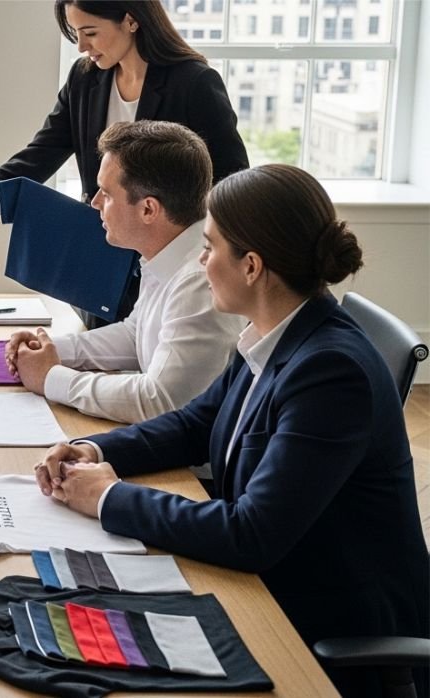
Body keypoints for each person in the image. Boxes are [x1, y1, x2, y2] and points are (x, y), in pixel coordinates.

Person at [34, 164, 429, 697]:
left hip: (321, 623)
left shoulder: (331, 373)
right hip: (271, 581)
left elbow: (251, 535)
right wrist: (93, 447)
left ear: (251, 266)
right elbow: (198, 424)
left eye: (209, 246)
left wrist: (108, 498)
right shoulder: (274, 329)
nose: (200, 262)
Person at [0, 0, 248, 327]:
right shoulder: (85, 79)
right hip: (102, 254)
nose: (80, 46)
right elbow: (39, 154)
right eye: (75, 32)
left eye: (90, 32)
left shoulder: (194, 83)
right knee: (97, 356)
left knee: (155, 367)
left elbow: (232, 180)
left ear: (130, 20)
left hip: (170, 259)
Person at [6, 121, 243, 424]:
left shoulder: (200, 282)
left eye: (106, 193)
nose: (94, 203)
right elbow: (136, 334)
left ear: (148, 209)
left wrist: (51, 378)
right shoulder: (168, 253)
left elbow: (159, 400)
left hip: (193, 470)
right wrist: (52, 350)